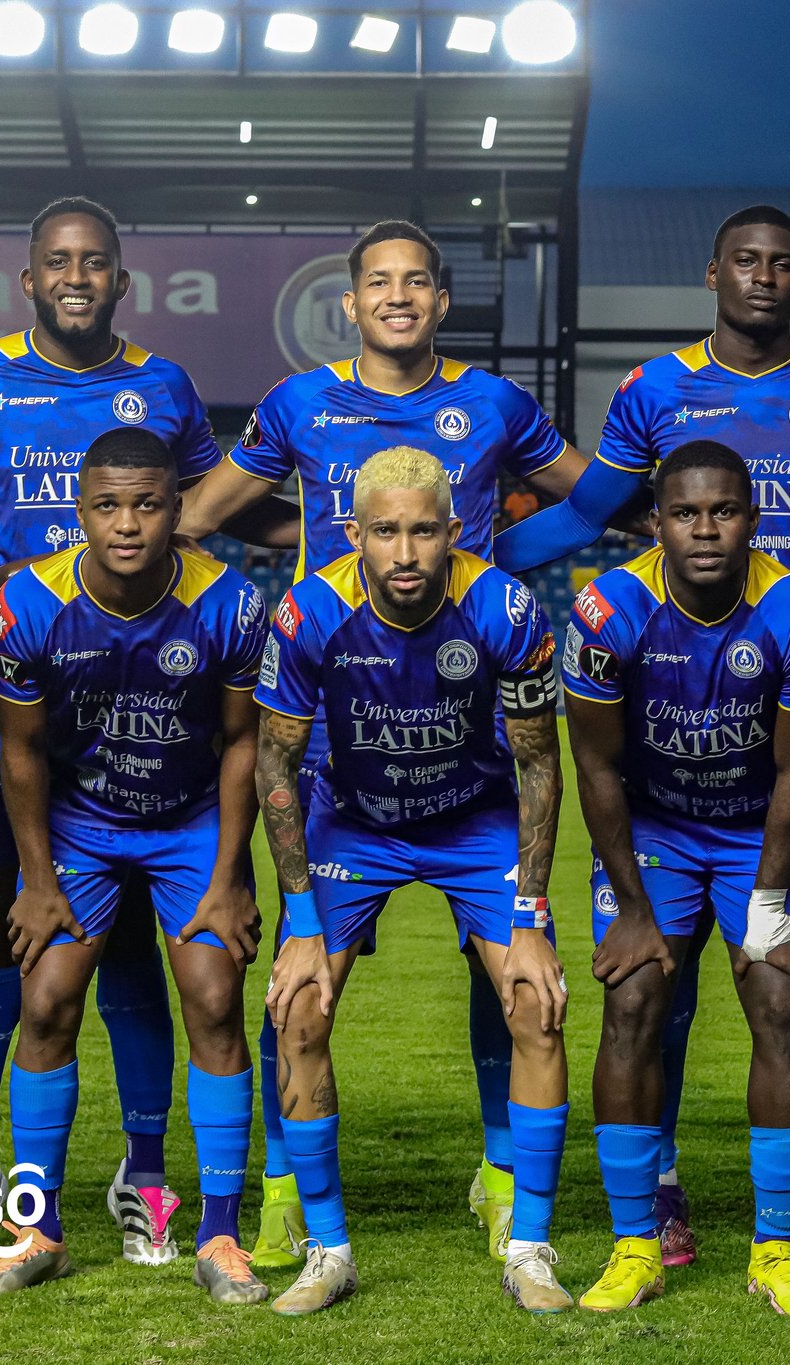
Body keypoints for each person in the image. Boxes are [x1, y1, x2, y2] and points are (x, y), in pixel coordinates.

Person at [495, 203, 790, 1269]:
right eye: (745, 261)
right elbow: (586, 514)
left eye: (782, 263)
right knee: (657, 978)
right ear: (713, 274)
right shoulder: (654, 388)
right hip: (679, 709)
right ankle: (663, 1187)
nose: (763, 277)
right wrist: (474, 563)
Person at [175, 221, 600, 1268]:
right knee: (299, 985)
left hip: (465, 721)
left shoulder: (492, 402)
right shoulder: (298, 404)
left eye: (417, 281)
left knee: (501, 977)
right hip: (342, 731)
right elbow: (197, 516)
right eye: (378, 281)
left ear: (440, 301)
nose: (398, 296)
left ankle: (504, 1179)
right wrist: (307, 538)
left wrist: (498, 551)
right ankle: (286, 1191)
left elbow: (595, 499)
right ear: (351, 303)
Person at [0, 197, 288, 1266]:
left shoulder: (164, 386)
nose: (76, 276)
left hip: (149, 686)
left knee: (143, 944)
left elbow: (216, 505)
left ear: (120, 280)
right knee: (4, 928)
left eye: (95, 261)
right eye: (57, 261)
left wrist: (330, 529)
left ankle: (145, 1170)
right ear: (30, 280)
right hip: (18, 689)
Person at [255, 448, 571, 1314]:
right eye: (385, 531)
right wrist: (301, 921)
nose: (404, 552)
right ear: (352, 532)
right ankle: (328, 1251)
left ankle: (531, 1249)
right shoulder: (311, 611)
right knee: (298, 1005)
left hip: (473, 822)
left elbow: (540, 765)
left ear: (454, 531)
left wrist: (530, 917)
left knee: (536, 1002)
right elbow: (276, 762)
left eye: (424, 531)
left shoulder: (503, 608)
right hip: (355, 823)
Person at [0, 429, 271, 1304]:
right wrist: (37, 881)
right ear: (82, 511)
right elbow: (21, 752)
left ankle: (220, 1234)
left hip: (189, 822)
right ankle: (38, 1230)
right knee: (46, 1000)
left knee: (213, 998)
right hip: (82, 824)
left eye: (146, 505)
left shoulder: (229, 603)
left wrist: (229, 877)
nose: (128, 524)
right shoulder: (28, 603)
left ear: (177, 509)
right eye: (108, 506)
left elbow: (242, 743)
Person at [565, 442, 790, 1317]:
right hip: (656, 829)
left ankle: (776, 1250)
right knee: (633, 999)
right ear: (657, 524)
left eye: (724, 511)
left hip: (760, 828)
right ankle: (634, 1245)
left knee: (780, 998)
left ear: (753, 520)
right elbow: (595, 767)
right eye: (685, 513)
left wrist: (767, 906)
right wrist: (632, 909)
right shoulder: (608, 610)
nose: (706, 529)